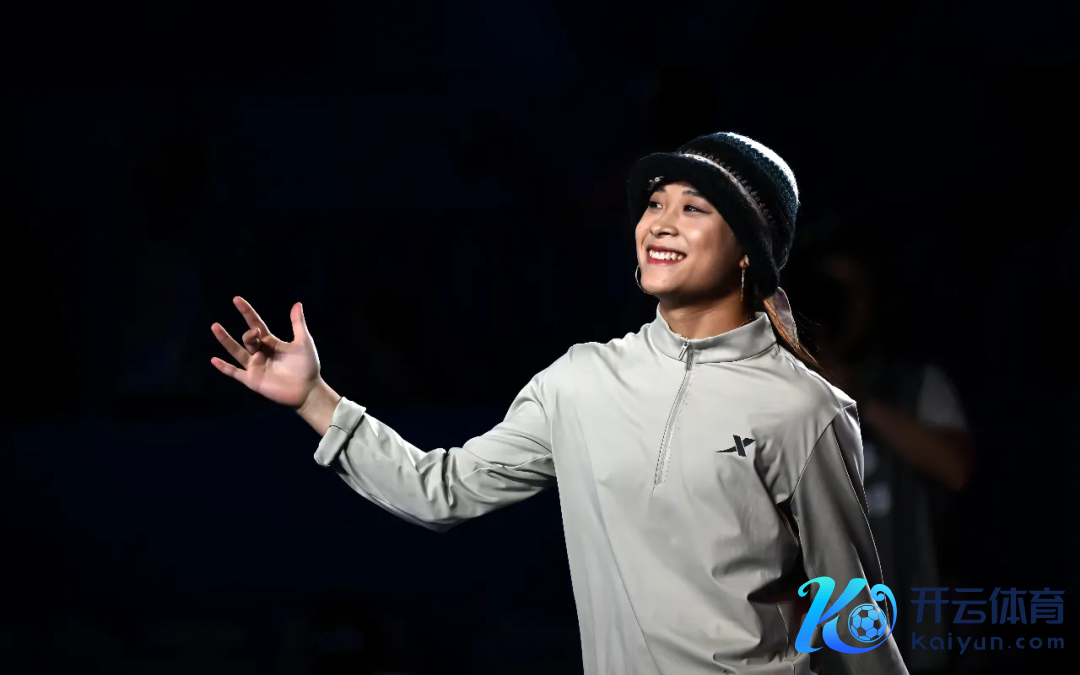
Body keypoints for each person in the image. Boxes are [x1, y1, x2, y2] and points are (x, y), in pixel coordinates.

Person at [209, 131, 908, 675]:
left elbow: (851, 612)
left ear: (749, 249)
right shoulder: (580, 380)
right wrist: (313, 397)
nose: (660, 223)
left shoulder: (803, 408)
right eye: (655, 203)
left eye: (693, 208)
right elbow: (438, 490)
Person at [796, 231, 975, 674]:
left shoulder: (915, 384)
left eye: (854, 292)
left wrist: (857, 397)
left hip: (910, 636)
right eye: (831, 293)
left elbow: (956, 469)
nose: (844, 308)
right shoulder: (785, 387)